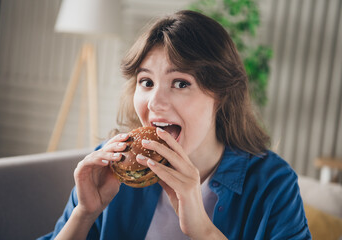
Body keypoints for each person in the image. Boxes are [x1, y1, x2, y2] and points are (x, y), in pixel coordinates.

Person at [39, 10, 311, 240]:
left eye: (180, 83)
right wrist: (84, 213)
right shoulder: (111, 168)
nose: (155, 102)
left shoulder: (274, 183)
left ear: (221, 97)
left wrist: (204, 231)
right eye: (146, 82)